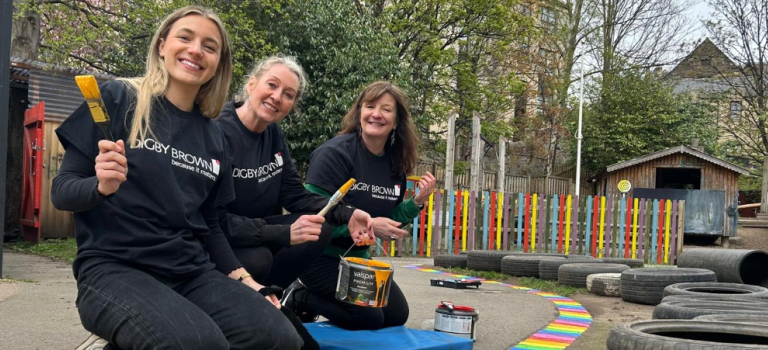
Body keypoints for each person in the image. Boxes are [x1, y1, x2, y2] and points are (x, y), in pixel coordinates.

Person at [52, 6, 301, 350]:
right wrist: (100, 185)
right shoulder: (119, 98)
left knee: (280, 338)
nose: (196, 50)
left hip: (190, 272)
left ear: (218, 64)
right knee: (199, 343)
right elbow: (61, 191)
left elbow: (210, 224)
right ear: (162, 46)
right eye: (185, 37)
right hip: (115, 268)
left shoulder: (214, 136)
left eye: (209, 47)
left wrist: (246, 280)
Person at [284, 81, 437, 330]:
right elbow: (310, 216)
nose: (376, 114)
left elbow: (389, 219)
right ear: (359, 113)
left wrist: (417, 202)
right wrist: (370, 225)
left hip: (356, 259)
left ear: (396, 122)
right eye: (370, 106)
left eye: (386, 109)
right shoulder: (333, 155)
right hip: (317, 257)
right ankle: (299, 296)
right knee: (368, 317)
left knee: (396, 315)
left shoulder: (395, 163)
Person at [215, 55, 373, 291]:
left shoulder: (273, 134)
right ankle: (249, 300)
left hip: (258, 231)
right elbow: (214, 220)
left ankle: (271, 297)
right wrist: (281, 233)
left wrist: (346, 213)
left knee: (318, 230)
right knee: (258, 259)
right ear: (251, 84)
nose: (277, 97)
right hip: (220, 237)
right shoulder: (217, 130)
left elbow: (294, 195)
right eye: (272, 85)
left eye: (288, 94)